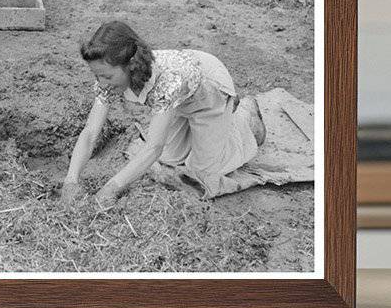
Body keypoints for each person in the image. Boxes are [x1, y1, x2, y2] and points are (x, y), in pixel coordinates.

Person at [63, 20, 266, 206]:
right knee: (170, 159)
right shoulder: (108, 79)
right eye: (97, 76)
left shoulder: (166, 82)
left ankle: (244, 120)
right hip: (180, 99)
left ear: (131, 65)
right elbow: (90, 133)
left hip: (210, 91)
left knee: (202, 172)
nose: (101, 83)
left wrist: (111, 188)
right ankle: (205, 126)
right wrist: (71, 180)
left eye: (106, 76)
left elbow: (153, 148)